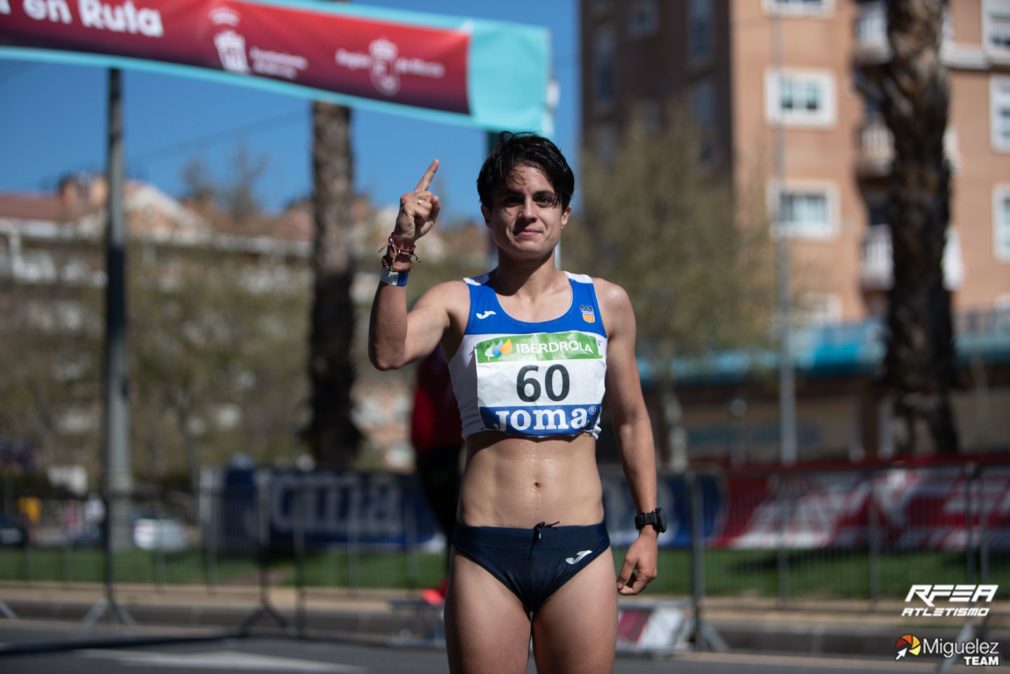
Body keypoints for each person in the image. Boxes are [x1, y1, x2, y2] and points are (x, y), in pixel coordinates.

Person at [369, 133, 662, 674]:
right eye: (512, 199)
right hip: (485, 552)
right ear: (488, 213)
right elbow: (387, 353)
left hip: (580, 550)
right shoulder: (458, 300)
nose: (528, 213)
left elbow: (632, 419)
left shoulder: (607, 303)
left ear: (565, 213)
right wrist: (401, 249)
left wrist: (649, 526)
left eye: (543, 199)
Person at [409, 347, 463, 603]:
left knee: (459, 523)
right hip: (430, 448)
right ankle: (453, 582)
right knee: (450, 524)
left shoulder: (460, 354)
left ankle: (455, 583)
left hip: (450, 446)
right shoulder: (432, 357)